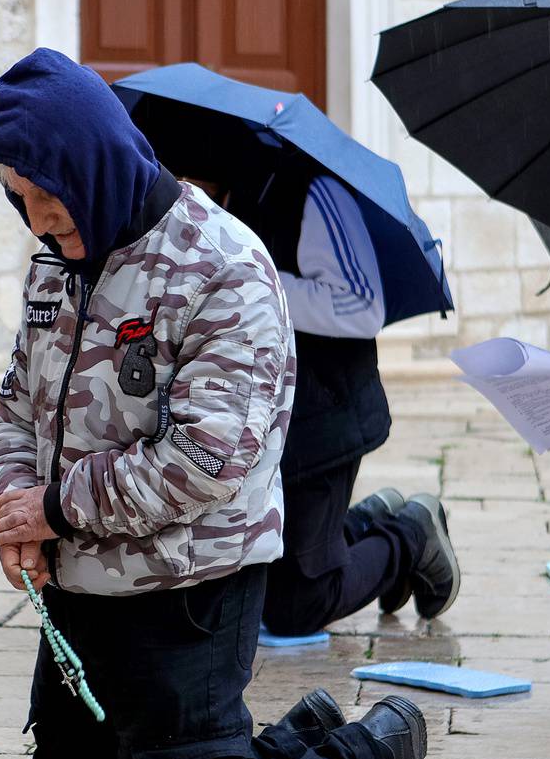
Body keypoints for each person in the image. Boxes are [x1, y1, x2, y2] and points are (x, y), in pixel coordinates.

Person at [0, 48, 431, 759]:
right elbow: (17, 407)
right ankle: (286, 748)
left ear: (94, 163)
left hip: (190, 590)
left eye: (48, 195)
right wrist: (10, 500)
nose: (37, 221)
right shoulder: (56, 263)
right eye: (20, 199)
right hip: (82, 593)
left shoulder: (223, 266)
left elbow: (200, 464)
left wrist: (53, 509)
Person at [128, 99, 460, 638]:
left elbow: (361, 305)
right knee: (255, 568)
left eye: (191, 181)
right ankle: (368, 521)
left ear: (215, 168)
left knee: (294, 608)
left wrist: (249, 282)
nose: (181, 197)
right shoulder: (187, 216)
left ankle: (409, 535)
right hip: (253, 425)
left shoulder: (311, 192)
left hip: (326, 417)